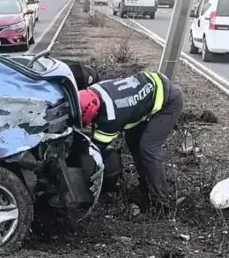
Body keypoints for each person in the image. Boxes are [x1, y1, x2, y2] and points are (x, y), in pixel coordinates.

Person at [78, 70, 184, 210]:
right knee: (133, 140)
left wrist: (80, 169)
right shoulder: (95, 90)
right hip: (150, 87)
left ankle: (162, 202)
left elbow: (97, 149)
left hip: (169, 101)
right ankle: (147, 185)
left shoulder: (112, 117)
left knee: (148, 148)